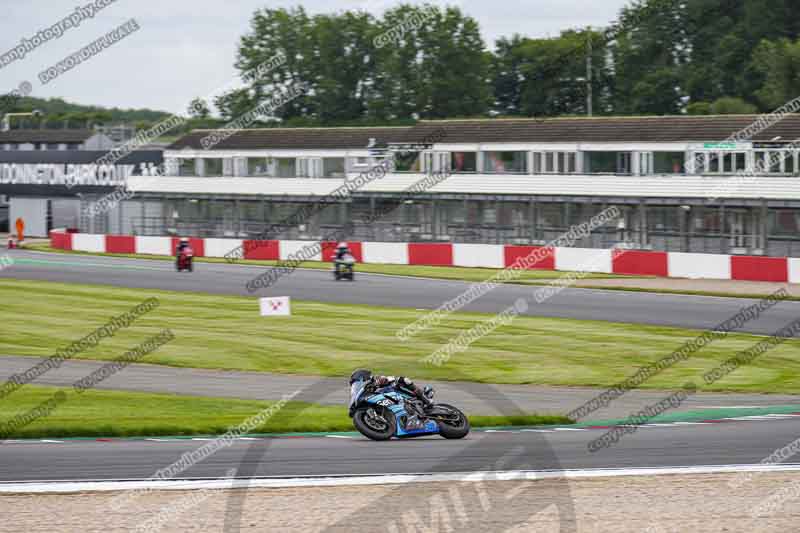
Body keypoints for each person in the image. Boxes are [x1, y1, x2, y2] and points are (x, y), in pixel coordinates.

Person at [349, 369, 433, 410]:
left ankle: (425, 399)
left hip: (394, 391)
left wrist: (380, 381)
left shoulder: (372, 380)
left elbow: (385, 379)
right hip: (387, 402)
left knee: (403, 380)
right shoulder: (362, 392)